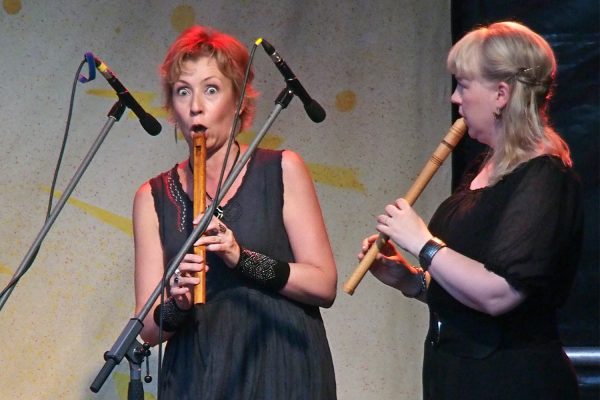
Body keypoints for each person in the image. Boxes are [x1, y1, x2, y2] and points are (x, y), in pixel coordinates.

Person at [358, 21, 583, 399]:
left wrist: (423, 243)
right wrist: (411, 280)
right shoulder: (486, 167)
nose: (455, 99)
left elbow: (498, 294)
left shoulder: (544, 178)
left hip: (510, 382)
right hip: (456, 377)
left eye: (464, 85)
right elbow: (466, 289)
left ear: (500, 93)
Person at [134, 25, 337, 399]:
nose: (196, 105)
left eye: (211, 90)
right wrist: (176, 301)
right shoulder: (153, 196)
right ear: (171, 107)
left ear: (239, 100)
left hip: (283, 366)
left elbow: (324, 285)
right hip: (200, 373)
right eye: (183, 91)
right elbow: (148, 330)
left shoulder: (282, 169)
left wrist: (239, 257)